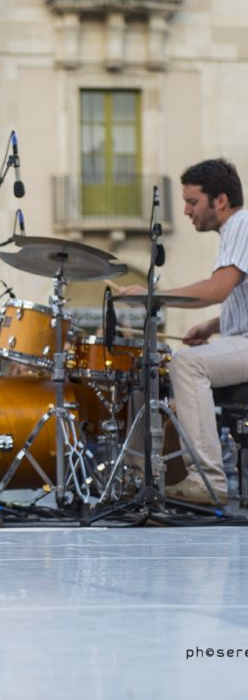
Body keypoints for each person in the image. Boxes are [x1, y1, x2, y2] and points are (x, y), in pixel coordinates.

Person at [119, 158, 248, 505]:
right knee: (176, 380)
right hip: (241, 340)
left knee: (187, 364)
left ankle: (208, 481)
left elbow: (218, 288)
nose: (188, 211)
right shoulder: (235, 231)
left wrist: (154, 297)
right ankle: (153, 476)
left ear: (220, 200)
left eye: (193, 202)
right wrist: (211, 325)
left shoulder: (241, 224)